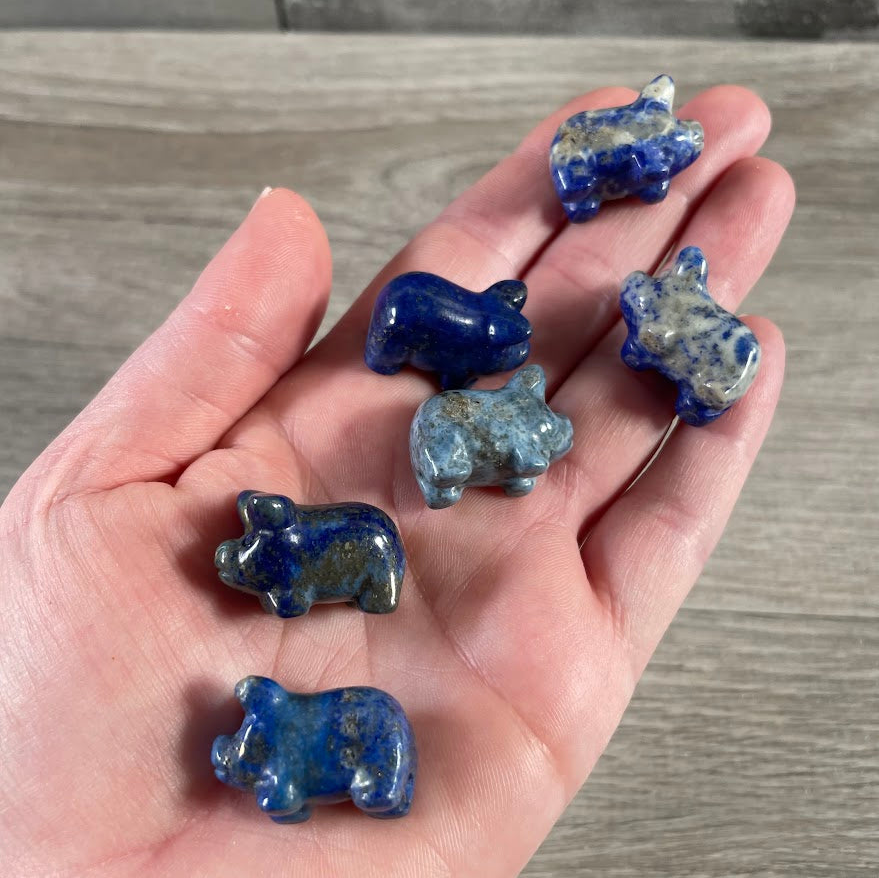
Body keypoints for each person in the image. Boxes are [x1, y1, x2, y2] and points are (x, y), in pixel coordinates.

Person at [0, 83, 793, 876]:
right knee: (400, 506)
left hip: (418, 479)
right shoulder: (317, 567)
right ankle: (390, 563)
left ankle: (385, 593)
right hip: (409, 481)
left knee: (409, 508)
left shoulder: (500, 406)